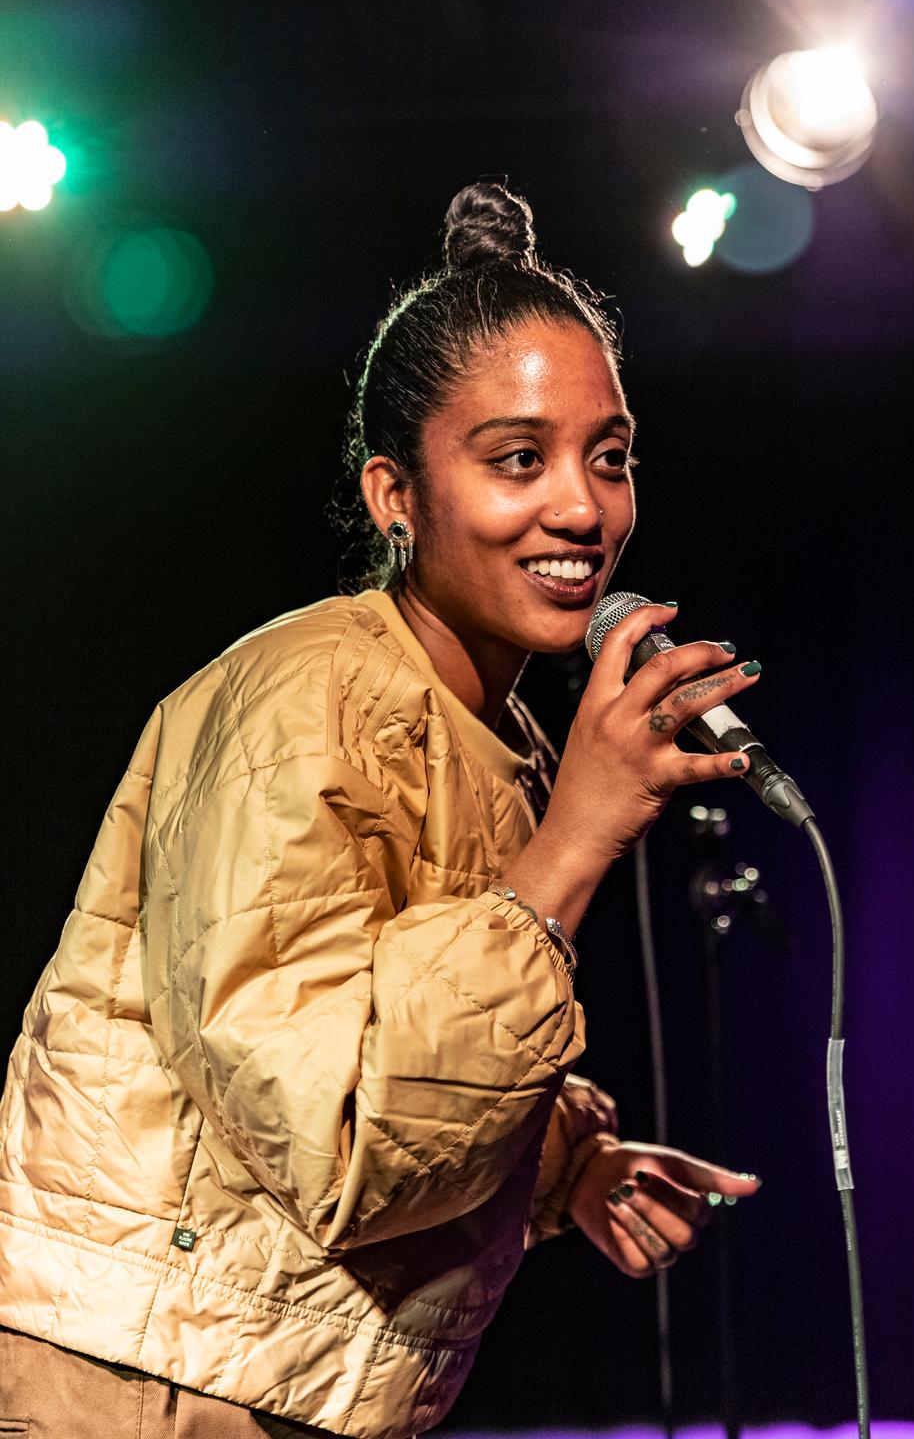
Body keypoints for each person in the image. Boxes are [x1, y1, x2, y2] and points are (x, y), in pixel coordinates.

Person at [0, 181, 762, 1438]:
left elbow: (382, 1009)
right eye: (517, 458)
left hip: (263, 1382)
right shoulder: (297, 700)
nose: (581, 507)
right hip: (144, 1381)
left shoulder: (495, 735)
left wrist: (568, 1166)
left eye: (608, 457)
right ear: (392, 496)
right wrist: (573, 844)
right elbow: (338, 1135)